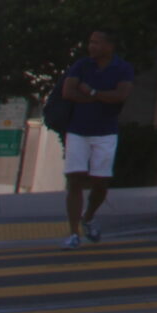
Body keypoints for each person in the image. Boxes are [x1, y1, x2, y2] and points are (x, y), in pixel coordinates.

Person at [59, 29, 133, 247]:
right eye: (90, 42)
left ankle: (88, 216)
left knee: (101, 181)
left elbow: (120, 95)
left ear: (109, 46)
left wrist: (91, 93)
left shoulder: (123, 68)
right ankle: (74, 233)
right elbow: (68, 92)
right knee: (75, 179)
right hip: (78, 130)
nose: (91, 47)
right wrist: (101, 97)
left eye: (96, 43)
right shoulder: (82, 65)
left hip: (105, 132)